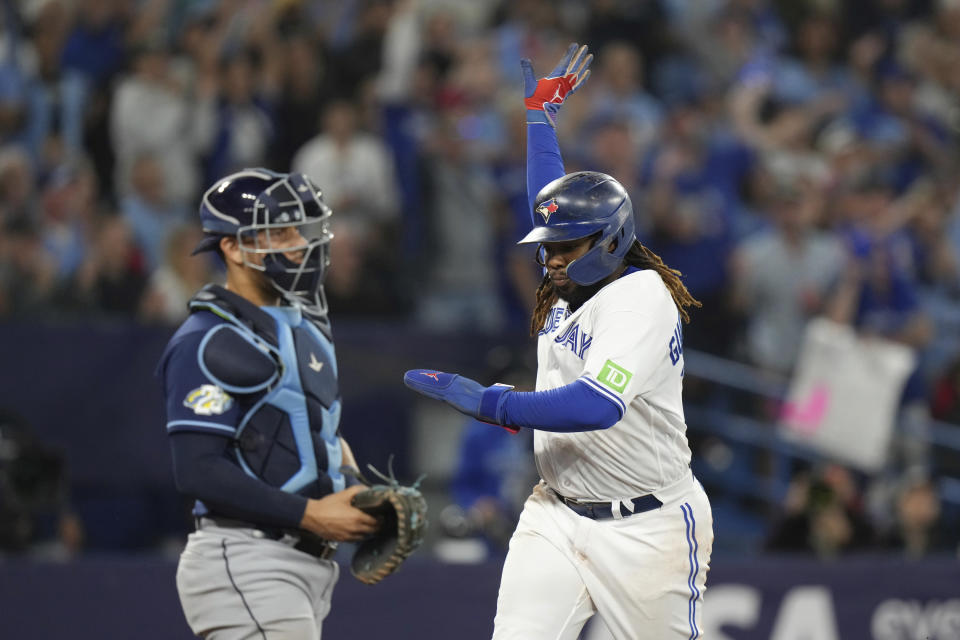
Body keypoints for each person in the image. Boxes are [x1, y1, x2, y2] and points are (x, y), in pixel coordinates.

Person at [404, 44, 714, 639]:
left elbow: (596, 405)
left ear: (608, 242)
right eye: (546, 246)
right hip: (556, 513)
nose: (549, 259)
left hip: (645, 526)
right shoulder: (573, 272)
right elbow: (551, 201)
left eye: (565, 248)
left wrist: (492, 403)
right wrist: (539, 121)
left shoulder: (641, 297)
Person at [156, 169, 379, 639]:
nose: (298, 242)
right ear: (232, 247)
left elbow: (320, 430)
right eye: (278, 232)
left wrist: (360, 490)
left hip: (301, 565)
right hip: (246, 556)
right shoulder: (206, 339)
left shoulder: (301, 323)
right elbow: (197, 470)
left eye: (301, 229)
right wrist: (314, 514)